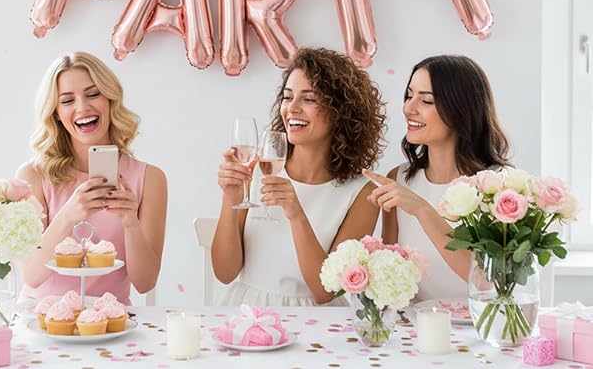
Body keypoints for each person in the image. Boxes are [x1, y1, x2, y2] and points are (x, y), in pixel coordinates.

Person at [212, 47, 387, 306]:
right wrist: (230, 198)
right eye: (287, 97)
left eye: (309, 99)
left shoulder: (362, 193)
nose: (292, 108)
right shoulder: (256, 169)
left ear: (340, 110)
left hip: (317, 320)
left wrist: (296, 214)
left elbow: (326, 291)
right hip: (248, 313)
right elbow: (224, 273)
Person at [17, 52, 167, 305]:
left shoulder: (150, 179)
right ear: (56, 113)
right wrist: (68, 215)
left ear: (110, 99)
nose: (82, 107)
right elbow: (31, 276)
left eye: (93, 94)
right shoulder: (33, 176)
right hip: (42, 316)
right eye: (67, 100)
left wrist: (130, 222)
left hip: (111, 318)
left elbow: (145, 282)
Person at [364, 54, 510, 301]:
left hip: (477, 323)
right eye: (409, 96)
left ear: (460, 109)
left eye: (426, 101)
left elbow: (488, 281)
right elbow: (393, 278)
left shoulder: (499, 188)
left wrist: (422, 210)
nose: (408, 108)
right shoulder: (398, 180)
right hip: (415, 322)